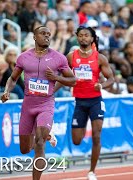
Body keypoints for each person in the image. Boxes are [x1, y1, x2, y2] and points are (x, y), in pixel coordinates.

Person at [1, 26, 76, 180]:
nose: (47, 36)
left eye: (49, 34)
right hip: (28, 105)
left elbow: (73, 80)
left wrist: (57, 78)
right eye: (43, 34)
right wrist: (7, 91)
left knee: (40, 143)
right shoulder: (23, 57)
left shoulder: (59, 58)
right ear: (34, 37)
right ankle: (44, 133)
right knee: (24, 149)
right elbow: (13, 78)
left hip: (46, 104)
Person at [55, 26, 114, 180]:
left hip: (95, 101)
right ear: (77, 38)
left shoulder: (99, 58)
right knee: (76, 140)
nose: (83, 38)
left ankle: (92, 171)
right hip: (80, 102)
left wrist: (102, 85)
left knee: (96, 135)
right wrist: (50, 92)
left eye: (86, 35)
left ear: (92, 38)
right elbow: (63, 78)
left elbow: (112, 79)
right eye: (80, 36)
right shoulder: (70, 57)